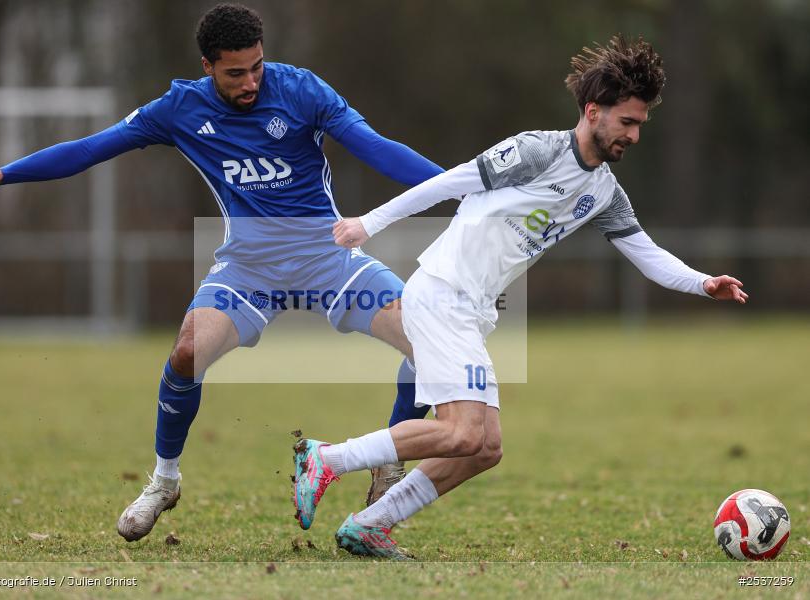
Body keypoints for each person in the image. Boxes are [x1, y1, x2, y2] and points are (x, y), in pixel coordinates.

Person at [0, 3, 439, 542]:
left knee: (428, 339)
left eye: (257, 67)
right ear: (207, 66)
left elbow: (379, 150)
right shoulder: (179, 109)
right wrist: (3, 174)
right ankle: (164, 481)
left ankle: (389, 461)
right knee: (187, 352)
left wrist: (462, 187)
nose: (250, 82)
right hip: (249, 268)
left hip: (327, 258)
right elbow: (89, 149)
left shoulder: (303, 91)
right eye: (235, 73)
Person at [292, 35, 749, 559]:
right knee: (462, 432)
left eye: (641, 124)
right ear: (593, 112)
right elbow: (450, 183)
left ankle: (369, 525)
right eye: (627, 122)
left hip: (473, 311)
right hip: (442, 293)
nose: (635, 135)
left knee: (485, 448)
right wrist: (368, 224)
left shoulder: (604, 191)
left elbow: (646, 253)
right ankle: (327, 458)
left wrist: (702, 282)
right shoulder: (536, 151)